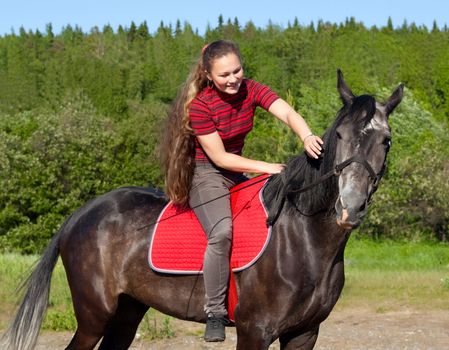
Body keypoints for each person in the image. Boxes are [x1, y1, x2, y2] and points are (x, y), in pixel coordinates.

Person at [161, 39, 323, 342]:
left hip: (238, 173)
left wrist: (306, 135)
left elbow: (287, 113)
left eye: (237, 70)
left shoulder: (251, 89)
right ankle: (215, 312)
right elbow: (220, 157)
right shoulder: (201, 107)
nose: (233, 79)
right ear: (209, 75)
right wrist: (266, 167)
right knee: (221, 232)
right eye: (224, 75)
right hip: (208, 175)